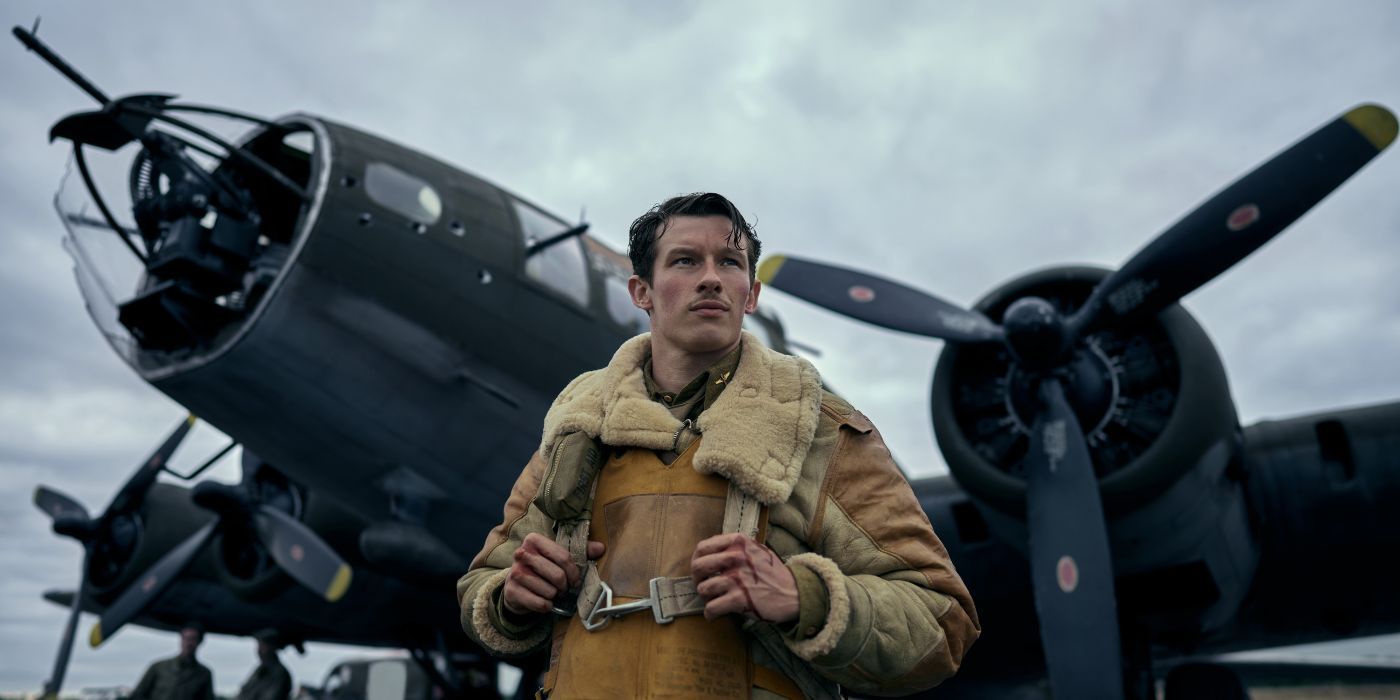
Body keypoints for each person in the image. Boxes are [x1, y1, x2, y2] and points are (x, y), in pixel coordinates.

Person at [458, 193, 979, 698]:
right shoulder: (576, 428)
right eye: (685, 260)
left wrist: (805, 599)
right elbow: (482, 584)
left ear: (750, 295)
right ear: (641, 291)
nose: (710, 278)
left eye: (730, 263)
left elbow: (941, 621)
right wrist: (510, 597)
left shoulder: (822, 431)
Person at [129, 623, 215, 700]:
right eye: (186, 638)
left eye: (193, 639)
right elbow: (137, 695)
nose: (188, 643)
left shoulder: (204, 673)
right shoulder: (158, 667)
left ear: (199, 641)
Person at [236, 630, 292, 700]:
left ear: (272, 647)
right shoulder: (260, 670)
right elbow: (244, 692)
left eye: (263, 645)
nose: (259, 650)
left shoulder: (280, 673)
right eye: (259, 645)